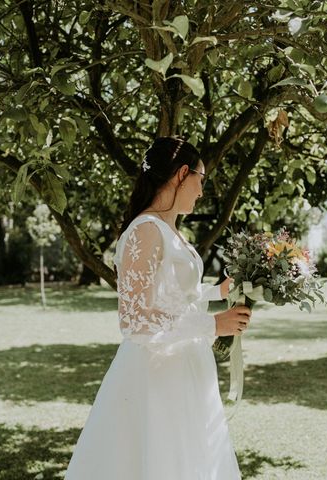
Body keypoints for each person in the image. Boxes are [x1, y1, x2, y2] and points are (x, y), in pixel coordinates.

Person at [64, 137, 252, 479]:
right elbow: (135, 320)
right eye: (201, 179)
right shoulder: (146, 230)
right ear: (182, 174)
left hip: (186, 367)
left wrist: (217, 291)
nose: (201, 191)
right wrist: (213, 325)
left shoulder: (170, 230)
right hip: (155, 376)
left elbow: (170, 294)